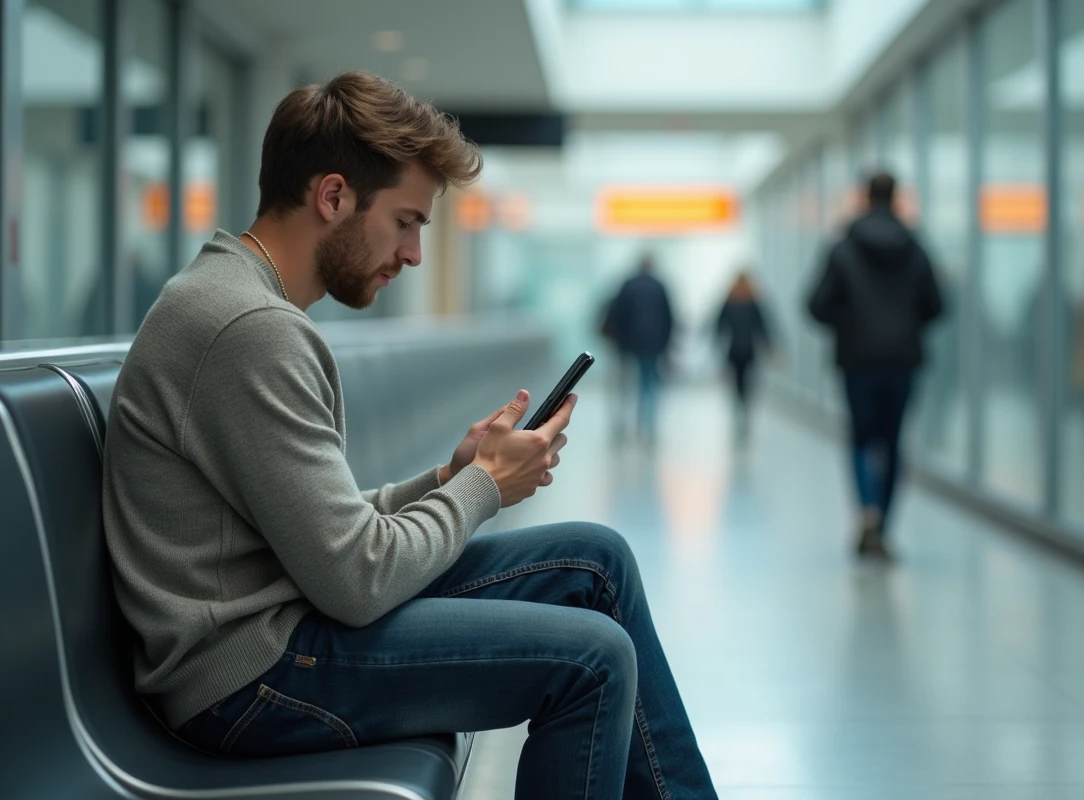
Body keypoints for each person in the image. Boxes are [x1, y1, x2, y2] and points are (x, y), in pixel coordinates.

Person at [102, 72, 717, 800]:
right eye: (406, 221)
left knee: (596, 562)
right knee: (594, 660)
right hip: (248, 679)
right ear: (333, 197)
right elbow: (358, 579)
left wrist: (450, 477)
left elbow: (321, 534)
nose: (415, 253)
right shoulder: (251, 331)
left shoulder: (237, 303)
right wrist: (482, 488)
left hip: (280, 624)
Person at [807, 172, 943, 559]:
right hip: (903, 360)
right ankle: (883, 522)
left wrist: (849, 321)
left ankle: (866, 510)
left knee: (862, 439)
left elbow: (816, 305)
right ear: (896, 197)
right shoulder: (916, 247)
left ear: (865, 197)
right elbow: (936, 305)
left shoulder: (843, 247)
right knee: (894, 440)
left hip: (857, 359)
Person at [603, 255, 675, 445]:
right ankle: (647, 424)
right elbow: (668, 317)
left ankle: (626, 423)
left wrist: (620, 342)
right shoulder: (660, 286)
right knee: (649, 382)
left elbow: (618, 315)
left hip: (630, 343)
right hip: (654, 343)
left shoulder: (628, 286)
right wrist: (667, 345)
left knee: (626, 384)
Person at [715, 270, 772, 441]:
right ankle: (744, 411)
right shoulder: (752, 302)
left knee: (737, 384)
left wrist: (716, 340)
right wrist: (769, 345)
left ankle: (740, 411)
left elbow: (719, 324)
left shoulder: (730, 301)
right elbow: (763, 326)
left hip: (734, 350)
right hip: (748, 350)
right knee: (746, 383)